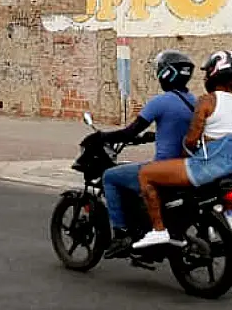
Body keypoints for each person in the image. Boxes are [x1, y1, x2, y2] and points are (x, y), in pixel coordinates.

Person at [82, 50, 198, 258]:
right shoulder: (194, 101)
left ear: (165, 74)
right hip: (185, 168)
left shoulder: (161, 102)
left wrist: (101, 137)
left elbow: (130, 131)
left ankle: (121, 234)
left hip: (162, 169)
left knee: (110, 176)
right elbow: (176, 130)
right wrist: (151, 136)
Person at [132, 50, 232, 249]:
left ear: (214, 73)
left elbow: (191, 140)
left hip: (204, 168)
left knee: (145, 174)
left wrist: (182, 157)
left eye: (207, 72)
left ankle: (159, 230)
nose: (205, 77)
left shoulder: (206, 101)